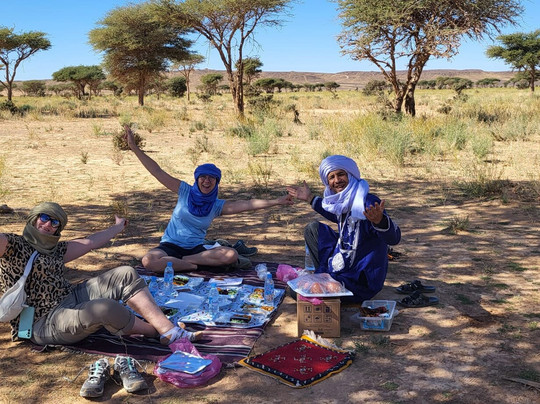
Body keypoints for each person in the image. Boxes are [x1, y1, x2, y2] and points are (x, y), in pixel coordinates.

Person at [0, 202, 200, 347]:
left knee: (126, 273)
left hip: (69, 298)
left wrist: (117, 227)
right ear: (33, 218)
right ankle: (157, 332)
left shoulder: (55, 250)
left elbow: (90, 242)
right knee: (105, 308)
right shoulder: (11, 246)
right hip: (42, 322)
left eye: (54, 223)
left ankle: (167, 329)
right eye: (44, 217)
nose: (47, 225)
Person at [124, 126, 293, 273]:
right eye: (203, 177)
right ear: (197, 179)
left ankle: (182, 263)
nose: (207, 181)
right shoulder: (184, 191)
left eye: (211, 178)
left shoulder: (216, 205)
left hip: (196, 251)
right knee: (148, 261)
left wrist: (276, 201)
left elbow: (248, 204)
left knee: (231, 254)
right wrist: (134, 147)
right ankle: (193, 266)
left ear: (216, 182)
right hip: (169, 246)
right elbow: (157, 171)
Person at [287, 155, 401, 303]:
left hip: (361, 277)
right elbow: (335, 214)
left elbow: (394, 238)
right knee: (313, 229)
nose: (337, 180)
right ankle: (326, 280)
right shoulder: (342, 202)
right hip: (342, 261)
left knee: (297, 291)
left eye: (341, 174)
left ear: (350, 175)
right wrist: (310, 198)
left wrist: (380, 221)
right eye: (331, 177)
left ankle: (331, 286)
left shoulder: (368, 203)